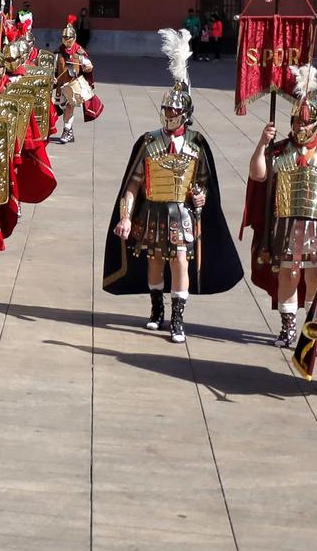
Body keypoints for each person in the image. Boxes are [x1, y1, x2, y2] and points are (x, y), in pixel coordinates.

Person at [101, 29, 244, 342]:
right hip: (152, 212)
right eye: (166, 110)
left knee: (180, 260)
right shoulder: (149, 142)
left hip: (182, 215)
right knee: (155, 260)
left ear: (185, 115)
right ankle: (156, 309)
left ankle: (178, 318)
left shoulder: (196, 144)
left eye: (175, 111)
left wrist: (201, 196)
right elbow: (133, 183)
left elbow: (205, 182)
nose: (169, 115)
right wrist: (125, 216)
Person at [244, 67, 317, 349]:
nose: (301, 127)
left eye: (306, 123)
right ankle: (288, 329)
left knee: (314, 276)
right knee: (289, 274)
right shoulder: (279, 150)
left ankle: (312, 331)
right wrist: (262, 143)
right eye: (297, 121)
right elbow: (257, 174)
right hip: (285, 225)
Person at [50, 15, 98, 146]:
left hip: (73, 86)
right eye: (65, 38)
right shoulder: (58, 52)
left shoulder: (78, 52)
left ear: (74, 38)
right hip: (61, 86)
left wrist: (87, 68)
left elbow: (88, 65)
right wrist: (53, 78)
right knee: (59, 107)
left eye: (69, 38)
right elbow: (53, 69)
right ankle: (67, 130)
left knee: (69, 107)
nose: (67, 40)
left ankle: (67, 130)